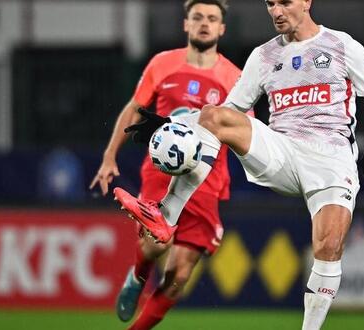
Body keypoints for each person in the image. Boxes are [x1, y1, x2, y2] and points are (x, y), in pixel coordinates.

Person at [114, 0, 364, 329]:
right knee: (212, 115)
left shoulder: (341, 45)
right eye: (270, 3)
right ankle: (165, 216)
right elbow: (228, 110)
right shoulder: (263, 56)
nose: (276, 11)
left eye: (285, 2)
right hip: (282, 151)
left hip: (331, 159)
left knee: (329, 245)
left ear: (306, 1)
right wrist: (172, 123)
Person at [89, 1, 241, 329]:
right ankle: (137, 275)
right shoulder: (163, 64)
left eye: (212, 18)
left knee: (179, 274)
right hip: (162, 171)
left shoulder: (235, 78)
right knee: (157, 242)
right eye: (197, 17)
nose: (204, 23)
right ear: (186, 24)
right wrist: (109, 155)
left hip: (206, 179)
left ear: (221, 28)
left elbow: (244, 131)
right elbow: (134, 108)